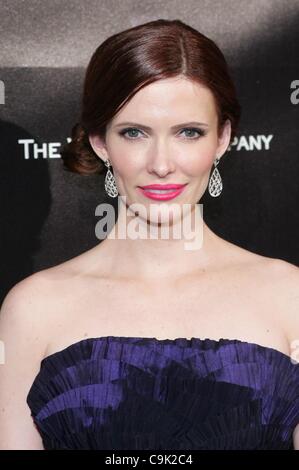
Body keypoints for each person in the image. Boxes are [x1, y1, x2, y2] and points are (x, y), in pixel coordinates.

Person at [0, 18, 299, 451]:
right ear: (101, 142)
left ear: (222, 139)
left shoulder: (289, 297)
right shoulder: (33, 308)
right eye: (135, 133)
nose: (161, 163)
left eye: (189, 132)